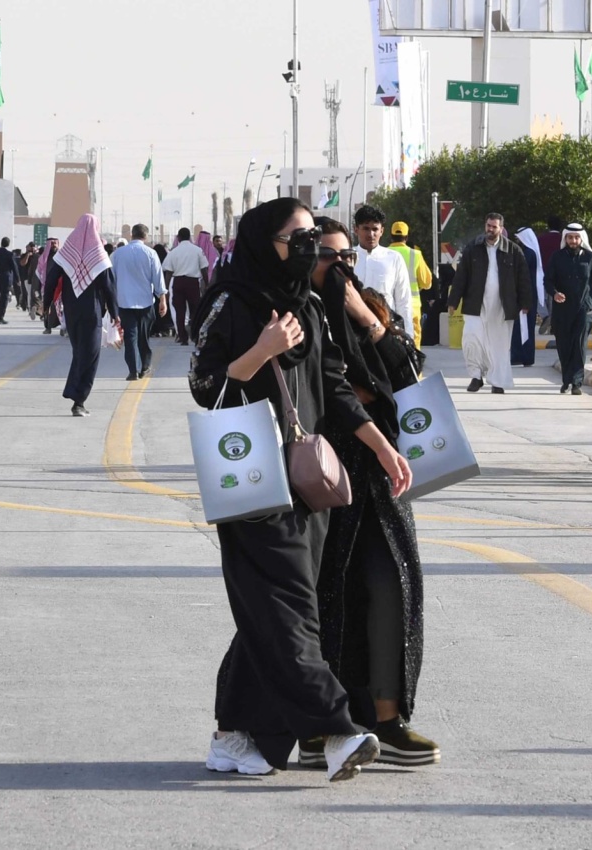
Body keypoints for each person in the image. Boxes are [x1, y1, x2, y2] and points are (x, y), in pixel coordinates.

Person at [190, 197, 412, 781]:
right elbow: (202, 383)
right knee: (289, 612)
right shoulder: (231, 301)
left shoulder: (308, 304)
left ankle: (235, 736)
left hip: (306, 478)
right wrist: (260, 352)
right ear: (267, 242)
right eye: (300, 237)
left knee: (279, 610)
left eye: (315, 234)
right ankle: (338, 730)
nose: (311, 247)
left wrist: (382, 446)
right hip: (250, 475)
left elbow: (333, 385)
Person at [299, 217, 438, 769]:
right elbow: (322, 392)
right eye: (327, 258)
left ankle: (388, 718)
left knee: (392, 586)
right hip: (321, 473)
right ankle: (323, 724)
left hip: (382, 477)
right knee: (323, 596)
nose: (340, 269)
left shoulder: (370, 304)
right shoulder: (295, 313)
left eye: (344, 257)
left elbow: (410, 371)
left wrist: (368, 322)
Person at [44, 214, 120, 417]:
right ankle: (78, 400)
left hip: (71, 311)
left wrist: (46, 305)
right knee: (91, 355)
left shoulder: (66, 253)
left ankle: (75, 395)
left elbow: (51, 279)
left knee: (80, 352)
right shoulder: (99, 255)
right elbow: (109, 287)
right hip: (92, 312)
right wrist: (115, 314)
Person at [447, 213, 531, 394]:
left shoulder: (513, 251)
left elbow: (523, 278)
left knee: (499, 344)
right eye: (488, 226)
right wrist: (453, 301)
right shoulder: (473, 249)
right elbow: (461, 277)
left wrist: (525, 303)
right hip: (475, 303)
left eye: (494, 227)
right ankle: (476, 376)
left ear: (501, 228)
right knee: (471, 339)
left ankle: (497, 381)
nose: (490, 229)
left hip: (503, 306)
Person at [544, 223, 592, 395]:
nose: (573, 240)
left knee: (579, 344)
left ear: (582, 239)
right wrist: (555, 293)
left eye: (576, 237)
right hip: (562, 309)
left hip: (584, 308)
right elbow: (548, 280)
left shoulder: (590, 257)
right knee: (564, 345)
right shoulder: (556, 257)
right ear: (565, 238)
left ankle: (577, 383)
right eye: (570, 237)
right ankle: (566, 380)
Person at [111, 224, 167, 380]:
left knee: (130, 337)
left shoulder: (117, 254)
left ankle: (132, 370)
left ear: (132, 235)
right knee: (144, 336)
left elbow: (111, 279)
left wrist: (110, 302)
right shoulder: (151, 253)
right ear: (146, 236)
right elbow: (158, 278)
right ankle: (145, 366)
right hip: (145, 302)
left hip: (124, 302)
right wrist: (162, 299)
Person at [353, 206, 413, 335]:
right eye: (366, 229)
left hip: (386, 331)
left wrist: (408, 335)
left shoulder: (394, 259)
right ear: (356, 229)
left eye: (375, 229)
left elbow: (404, 301)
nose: (371, 234)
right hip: (353, 331)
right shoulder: (347, 258)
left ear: (382, 231)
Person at [388, 221, 432, 349]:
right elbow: (427, 282)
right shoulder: (415, 255)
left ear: (390, 236)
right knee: (414, 338)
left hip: (389, 305)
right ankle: (415, 368)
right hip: (412, 305)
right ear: (406, 237)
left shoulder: (383, 253)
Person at [162, 227, 209, 346]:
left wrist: (166, 290)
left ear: (178, 237)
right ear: (189, 237)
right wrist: (207, 284)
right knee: (195, 310)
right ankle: (195, 335)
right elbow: (204, 268)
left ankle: (183, 337)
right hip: (193, 283)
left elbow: (168, 272)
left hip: (178, 283)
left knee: (180, 311)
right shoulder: (197, 250)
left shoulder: (174, 252)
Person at [510, 228, 541, 368]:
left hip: (526, 295)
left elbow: (523, 277)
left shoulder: (527, 253)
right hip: (525, 294)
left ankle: (523, 356)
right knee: (521, 326)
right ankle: (521, 356)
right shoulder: (528, 252)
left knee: (524, 327)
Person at [537, 215, 564, 334]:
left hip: (543, 271)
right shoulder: (563, 239)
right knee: (555, 298)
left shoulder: (541, 239)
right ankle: (554, 325)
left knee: (543, 298)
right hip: (559, 273)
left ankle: (546, 316)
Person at [0, 236, 21, 325]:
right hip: (6, 277)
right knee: (4, 297)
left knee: (0, 296)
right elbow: (14, 267)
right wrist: (17, 279)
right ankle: (0, 317)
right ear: (8, 244)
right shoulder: (9, 254)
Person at [37, 238, 61, 335]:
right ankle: (48, 327)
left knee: (60, 308)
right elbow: (38, 273)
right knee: (47, 307)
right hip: (47, 286)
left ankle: (63, 328)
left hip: (59, 285)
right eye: (52, 243)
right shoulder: (43, 259)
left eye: (55, 243)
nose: (54, 245)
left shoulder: (61, 256)